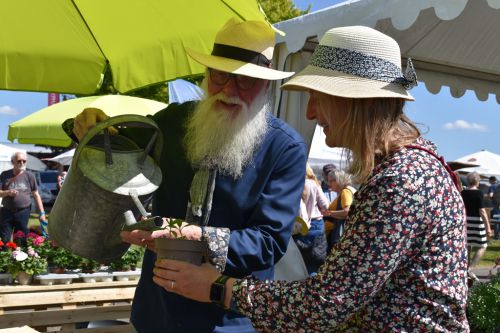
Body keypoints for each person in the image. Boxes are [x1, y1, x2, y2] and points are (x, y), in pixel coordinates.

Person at [153, 26, 469, 332]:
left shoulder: (401, 182)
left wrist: (218, 287)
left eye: (317, 96)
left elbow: (326, 303)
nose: (311, 113)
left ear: (357, 101)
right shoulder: (411, 168)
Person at [69, 18, 307, 333]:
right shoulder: (171, 122)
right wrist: (86, 125)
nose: (229, 90)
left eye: (245, 81)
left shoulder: (284, 147)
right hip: (157, 312)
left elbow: (268, 242)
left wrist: (192, 235)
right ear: (207, 74)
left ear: (265, 84)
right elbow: (115, 149)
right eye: (221, 75)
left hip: (227, 319)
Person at [0, 152, 47, 244]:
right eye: (19, 161)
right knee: (4, 239)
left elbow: (36, 195)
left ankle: (20, 257)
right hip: (6, 211)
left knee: (21, 240)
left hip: (23, 212)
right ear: (13, 162)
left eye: (24, 161)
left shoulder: (29, 176)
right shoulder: (4, 175)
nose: (22, 163)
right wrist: (7, 192)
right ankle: (4, 257)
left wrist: (42, 213)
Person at [294, 163, 329, 275]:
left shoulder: (295, 184)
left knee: (298, 259)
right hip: (317, 224)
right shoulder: (315, 184)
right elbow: (325, 205)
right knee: (314, 260)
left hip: (299, 224)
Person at [461, 172, 493, 268]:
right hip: (476, 222)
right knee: (483, 246)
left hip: (466, 222)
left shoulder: (463, 193)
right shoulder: (479, 193)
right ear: (477, 181)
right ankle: (470, 268)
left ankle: (465, 268)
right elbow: (482, 211)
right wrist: (488, 227)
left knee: (468, 246)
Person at [322, 169, 356, 250]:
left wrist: (329, 213)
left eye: (331, 181)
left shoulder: (345, 192)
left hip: (339, 233)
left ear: (338, 180)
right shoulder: (348, 190)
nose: (329, 184)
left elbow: (347, 211)